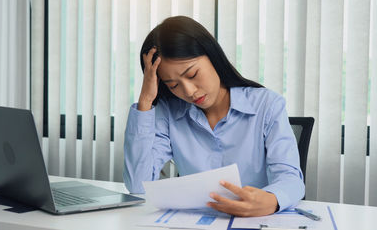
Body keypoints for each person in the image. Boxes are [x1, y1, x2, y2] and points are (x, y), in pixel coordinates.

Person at [123, 16, 304, 217]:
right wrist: (145, 101)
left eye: (192, 75)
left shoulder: (267, 105)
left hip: (256, 221)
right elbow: (138, 185)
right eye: (173, 85)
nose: (189, 91)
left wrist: (271, 201)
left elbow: (292, 180)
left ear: (212, 56)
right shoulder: (168, 114)